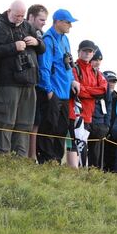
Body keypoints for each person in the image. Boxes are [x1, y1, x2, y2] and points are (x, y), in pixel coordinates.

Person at [0, 0, 45, 156]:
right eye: (17, 15)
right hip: (7, 82)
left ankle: (20, 158)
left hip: (29, 81)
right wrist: (13, 47)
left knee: (25, 123)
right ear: (8, 11)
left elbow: (42, 49)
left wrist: (37, 42)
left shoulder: (28, 27)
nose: (19, 18)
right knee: (5, 121)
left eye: (22, 16)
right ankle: (1, 156)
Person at [36, 9, 78, 164]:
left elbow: (68, 64)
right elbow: (44, 67)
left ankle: (56, 159)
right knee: (48, 126)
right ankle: (45, 160)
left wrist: (73, 80)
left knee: (62, 127)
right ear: (58, 21)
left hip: (65, 92)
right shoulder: (48, 39)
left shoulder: (65, 39)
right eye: (68, 22)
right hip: (53, 91)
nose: (70, 26)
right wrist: (48, 90)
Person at [68, 40, 106, 167]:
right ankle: (73, 174)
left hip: (89, 116)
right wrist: (92, 92)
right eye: (84, 51)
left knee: (84, 148)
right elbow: (76, 91)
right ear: (78, 52)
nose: (87, 53)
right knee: (74, 146)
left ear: (93, 53)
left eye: (89, 51)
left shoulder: (96, 72)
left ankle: (81, 176)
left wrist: (85, 89)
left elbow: (103, 90)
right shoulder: (73, 68)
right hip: (75, 114)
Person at [26, 4, 48, 159]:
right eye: (41, 19)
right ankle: (29, 155)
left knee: (36, 121)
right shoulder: (24, 31)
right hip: (26, 82)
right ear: (31, 17)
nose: (43, 22)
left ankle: (33, 155)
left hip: (39, 83)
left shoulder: (41, 35)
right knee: (28, 121)